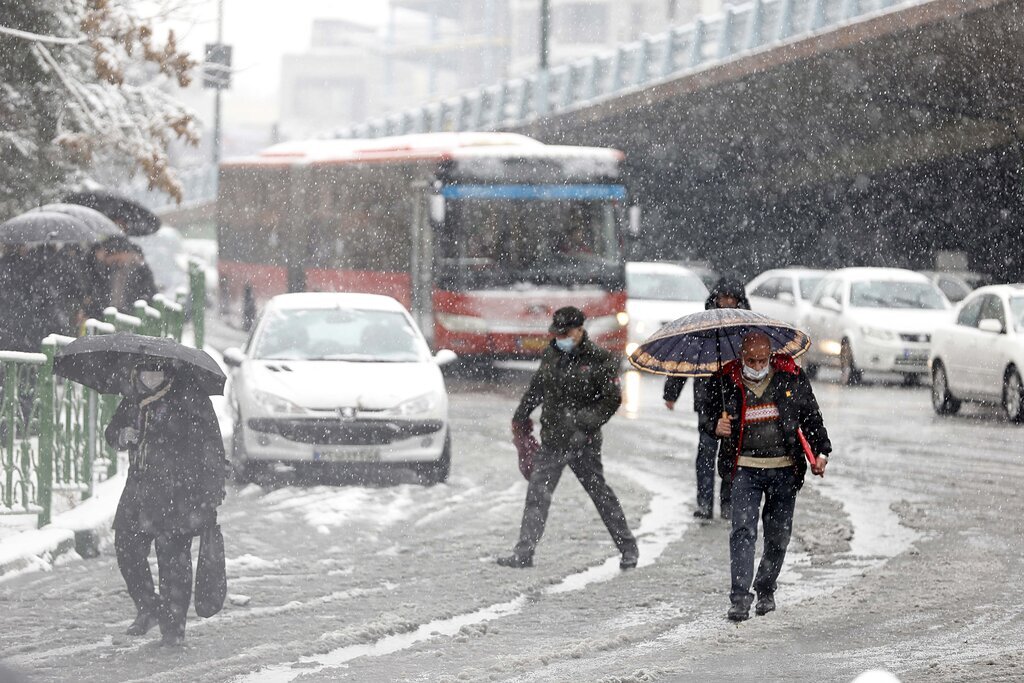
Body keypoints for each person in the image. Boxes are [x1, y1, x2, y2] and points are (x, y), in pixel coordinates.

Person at [702, 332, 831, 621]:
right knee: (742, 532)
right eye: (750, 360)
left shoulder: (791, 377)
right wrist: (715, 426)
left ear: (771, 355)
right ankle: (739, 598)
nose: (757, 365)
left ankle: (765, 588)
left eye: (762, 360)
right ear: (741, 357)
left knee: (778, 536)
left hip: (785, 469)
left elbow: (811, 416)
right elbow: (705, 416)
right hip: (744, 469)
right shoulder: (725, 380)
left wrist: (822, 452)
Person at [497, 306, 639, 569]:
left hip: (583, 443)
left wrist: (582, 424)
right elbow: (537, 388)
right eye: (557, 333)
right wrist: (520, 416)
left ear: (579, 330)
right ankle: (523, 553)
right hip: (552, 440)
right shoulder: (552, 354)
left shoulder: (601, 359)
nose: (559, 337)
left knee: (601, 495)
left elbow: (610, 400)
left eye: (565, 333)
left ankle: (628, 548)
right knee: (537, 495)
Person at [104, 363, 227, 646]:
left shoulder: (190, 399)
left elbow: (211, 445)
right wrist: (122, 435)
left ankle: (174, 627)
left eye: (156, 374)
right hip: (138, 490)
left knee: (174, 560)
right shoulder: (133, 399)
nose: (150, 379)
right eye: (145, 374)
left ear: (168, 374)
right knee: (127, 548)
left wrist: (211, 490)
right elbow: (112, 432)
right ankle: (149, 608)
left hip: (178, 493)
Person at [663, 277, 750, 520]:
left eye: (732, 299)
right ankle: (704, 503)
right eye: (724, 298)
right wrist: (671, 393)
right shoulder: (701, 330)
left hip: (736, 400)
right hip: (707, 400)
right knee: (706, 453)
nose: (727, 303)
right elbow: (684, 361)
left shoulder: (747, 330)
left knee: (731, 456)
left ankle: (727, 504)